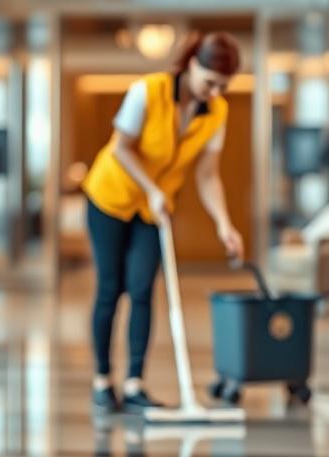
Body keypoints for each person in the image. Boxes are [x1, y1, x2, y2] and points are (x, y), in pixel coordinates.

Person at [80, 32, 245, 414]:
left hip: (153, 210)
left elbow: (207, 175)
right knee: (110, 287)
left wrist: (224, 224)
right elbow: (121, 147)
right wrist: (151, 187)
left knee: (141, 289)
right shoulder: (148, 91)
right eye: (210, 82)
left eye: (223, 86)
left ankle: (135, 382)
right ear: (191, 65)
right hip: (110, 197)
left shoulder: (216, 112)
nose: (214, 92)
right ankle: (103, 381)